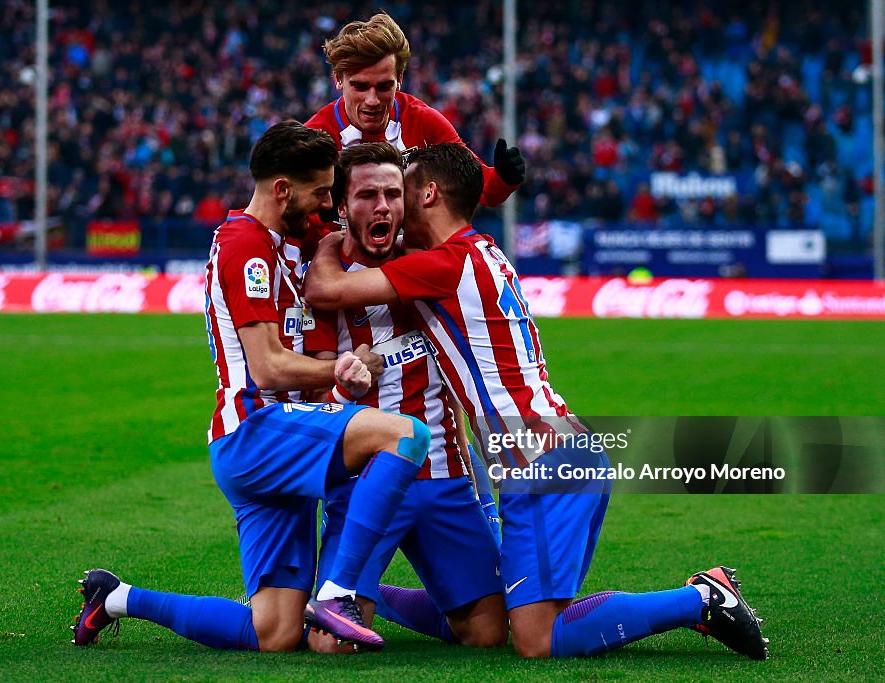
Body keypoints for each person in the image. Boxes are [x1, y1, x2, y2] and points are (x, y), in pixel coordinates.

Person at [304, 143, 769, 661]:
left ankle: (699, 599)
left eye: (402, 191)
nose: (392, 207)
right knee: (526, 622)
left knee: (538, 639)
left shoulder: (444, 264)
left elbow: (324, 289)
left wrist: (326, 240)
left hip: (542, 463)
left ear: (429, 194)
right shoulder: (482, 252)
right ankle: (358, 602)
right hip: (558, 453)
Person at [70, 121, 433, 653]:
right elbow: (265, 367)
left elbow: (347, 225)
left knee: (275, 632)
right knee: (406, 437)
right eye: (316, 194)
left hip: (273, 445)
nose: (322, 206)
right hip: (257, 428)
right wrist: (338, 370)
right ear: (281, 189)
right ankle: (336, 594)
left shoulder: (289, 238)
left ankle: (116, 597)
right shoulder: (246, 244)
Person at [304, 141, 506, 648]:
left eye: (393, 194)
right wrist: (339, 379)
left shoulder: (431, 266)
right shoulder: (321, 280)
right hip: (367, 482)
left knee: (488, 635)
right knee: (333, 644)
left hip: (443, 476)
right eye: (367, 195)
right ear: (342, 206)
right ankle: (337, 598)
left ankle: (379, 599)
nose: (383, 207)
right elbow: (306, 386)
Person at [305, 13, 526, 209]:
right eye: (360, 87)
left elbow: (481, 187)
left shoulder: (423, 121)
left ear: (399, 80)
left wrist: (503, 177)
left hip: (413, 251)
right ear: (338, 79)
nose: (372, 100)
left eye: (384, 87)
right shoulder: (315, 136)